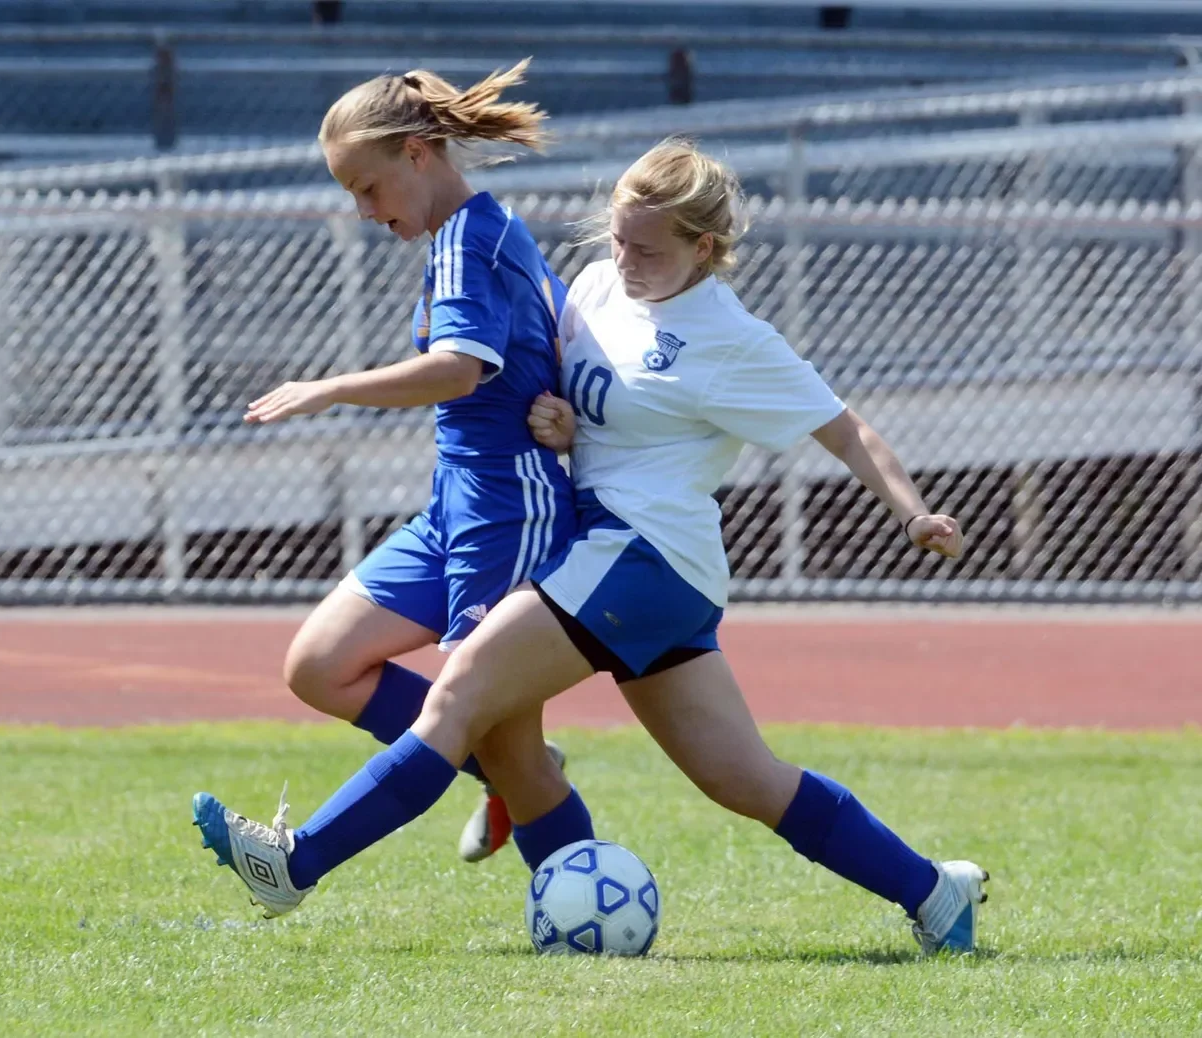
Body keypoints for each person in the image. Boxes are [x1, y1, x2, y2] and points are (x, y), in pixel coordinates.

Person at [195, 138, 989, 955]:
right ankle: (934, 892)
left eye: (646, 248)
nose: (623, 258)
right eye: (616, 237)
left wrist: (913, 513)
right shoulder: (601, 284)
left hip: (642, 555)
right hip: (616, 558)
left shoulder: (731, 337)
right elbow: (594, 411)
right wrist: (566, 429)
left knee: (462, 694)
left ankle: (296, 865)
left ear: (703, 250)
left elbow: (846, 428)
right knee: (743, 779)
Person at [202, 60, 599, 912]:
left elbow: (459, 369)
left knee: (498, 737)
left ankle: (295, 868)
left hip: (509, 512)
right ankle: (498, 770)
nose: (365, 211)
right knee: (322, 665)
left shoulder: (469, 238)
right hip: (456, 503)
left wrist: (334, 386)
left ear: (419, 154)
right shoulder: (475, 233)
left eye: (368, 186)